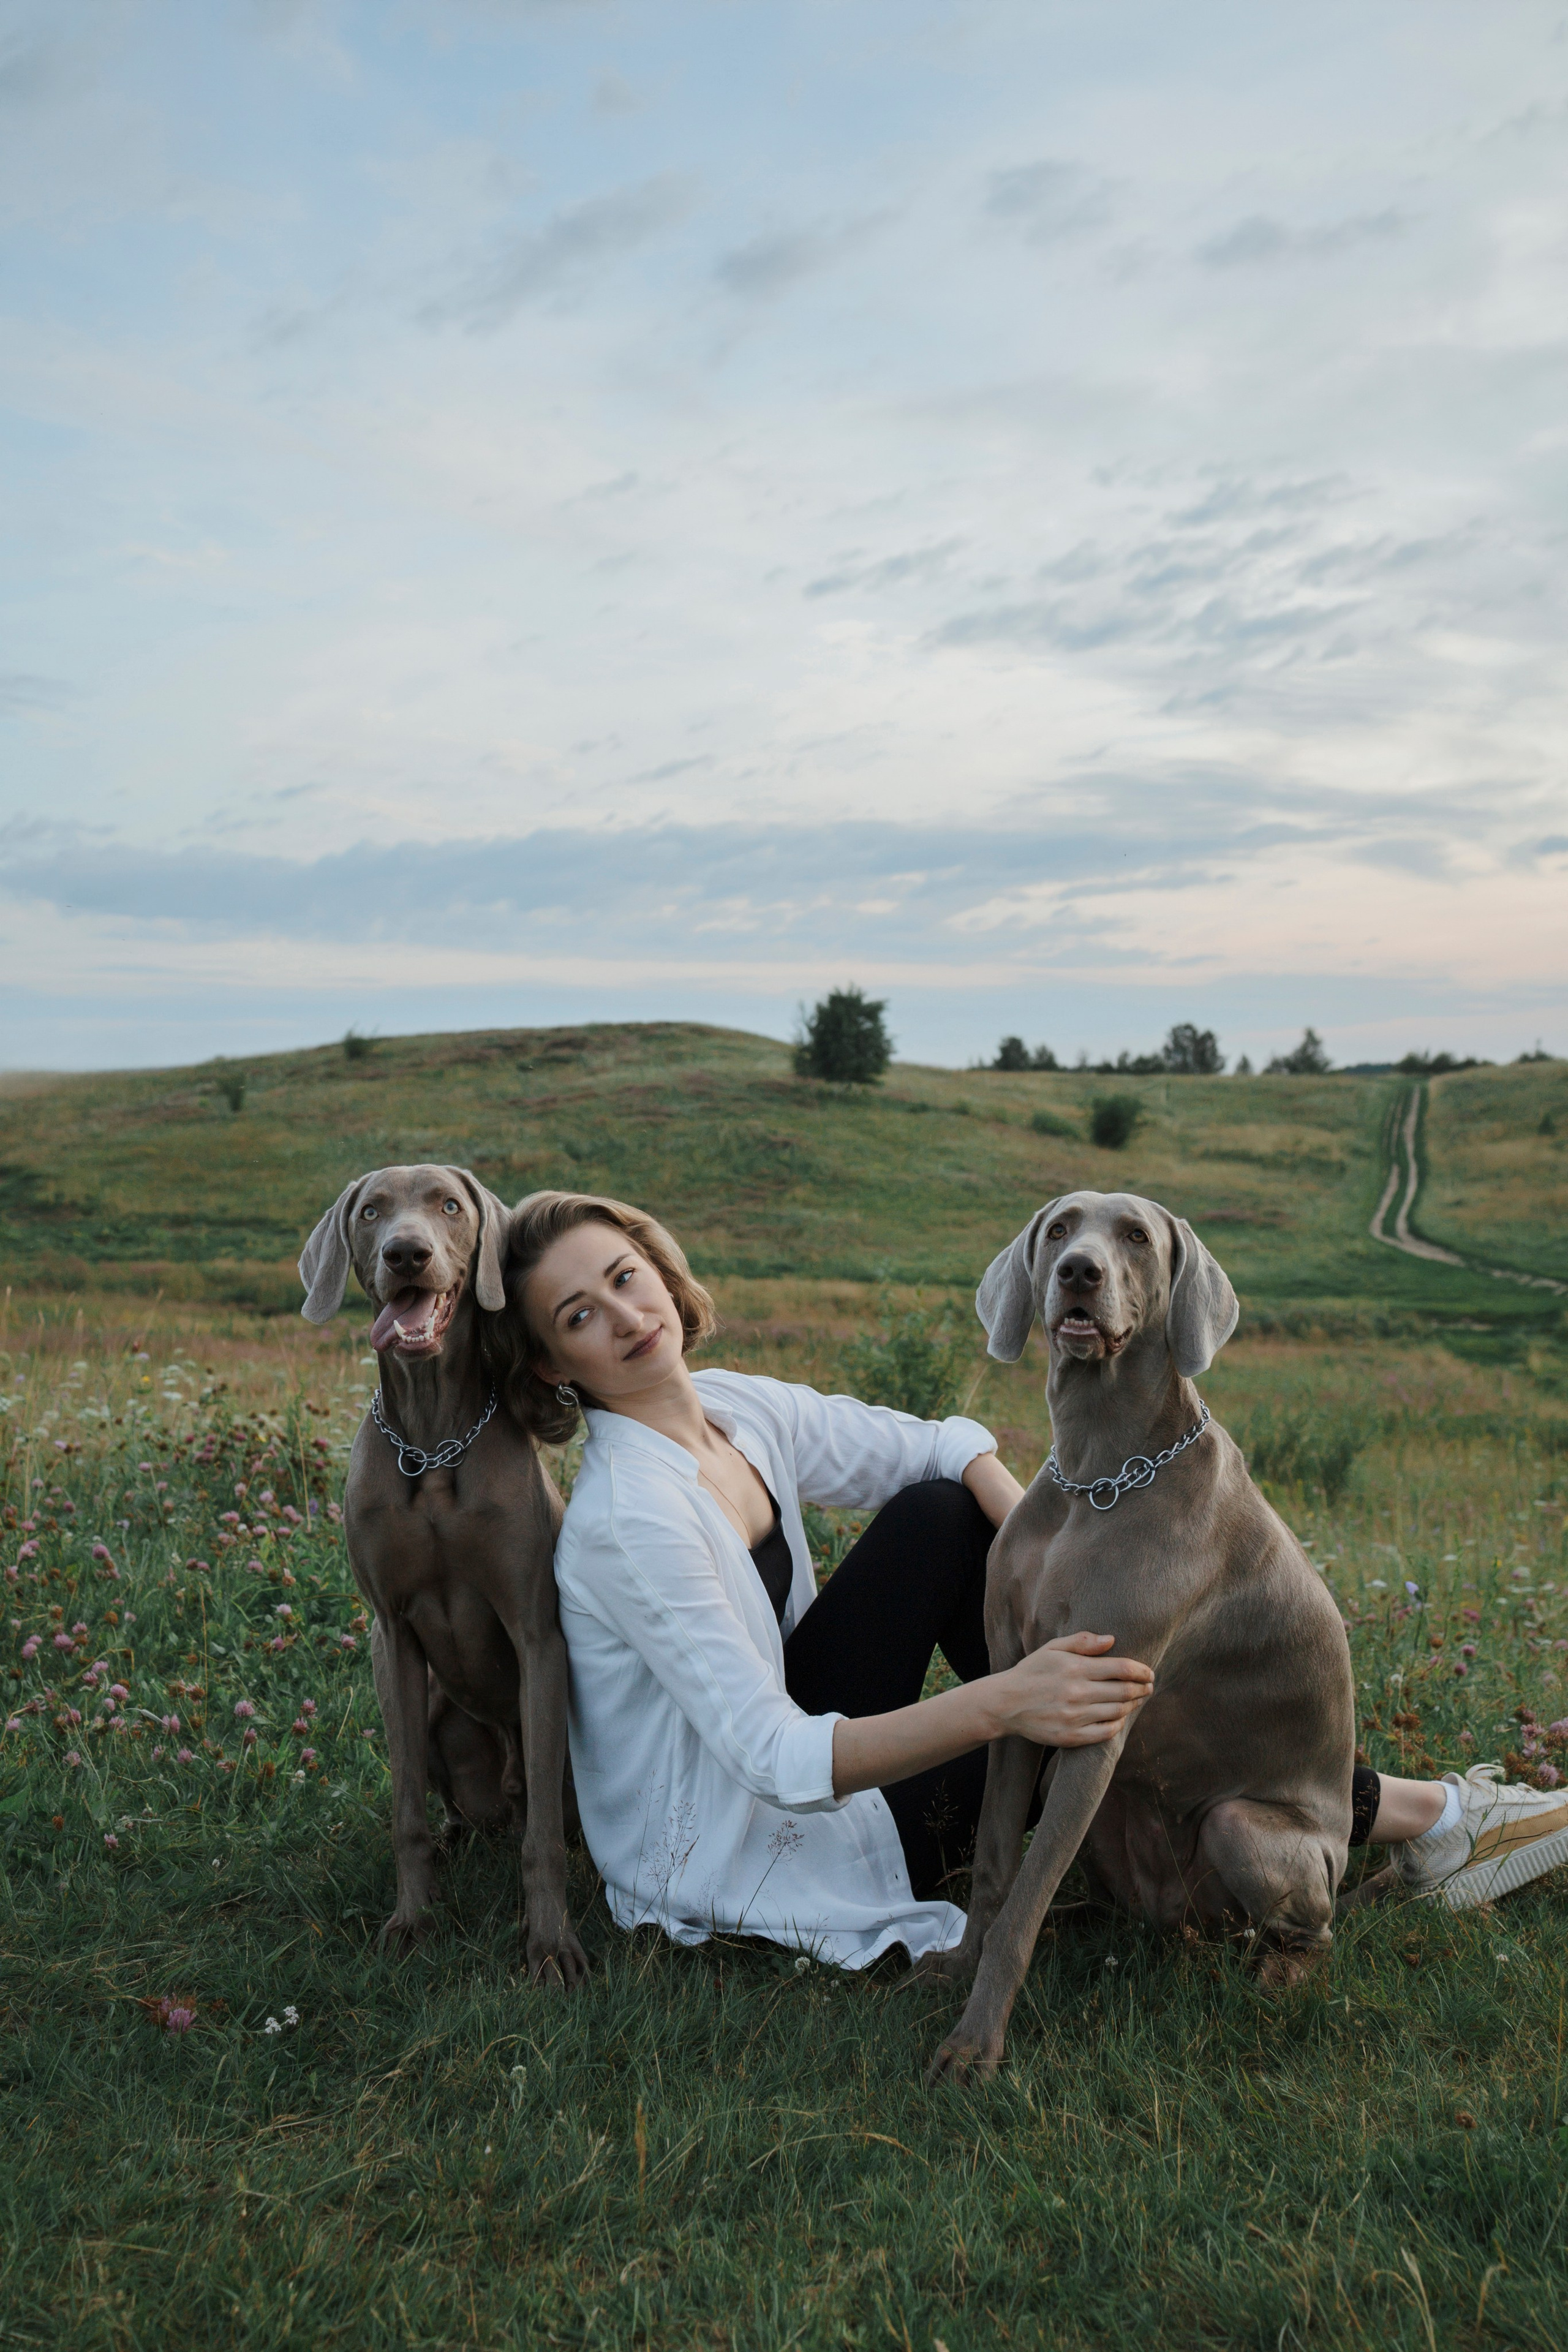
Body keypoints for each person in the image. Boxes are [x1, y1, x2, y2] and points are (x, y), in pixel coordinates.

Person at [496, 1189, 1568, 1966]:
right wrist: (1013, 1694)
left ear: (661, 1272)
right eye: (580, 1315)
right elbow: (775, 1759)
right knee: (1071, 1735)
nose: (628, 1318)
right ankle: (1427, 1819)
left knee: (947, 1514)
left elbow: (942, 1443)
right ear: (554, 1365)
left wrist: (1069, 1583)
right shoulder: (630, 1519)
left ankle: (1397, 1816)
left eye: (626, 1278)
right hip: (748, 1827)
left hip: (792, 1732)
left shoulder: (725, 1405)